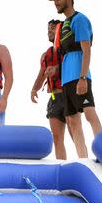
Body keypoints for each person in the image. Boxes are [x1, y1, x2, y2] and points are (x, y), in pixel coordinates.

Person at [50, 0, 102, 158]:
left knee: (89, 113)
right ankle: (83, 159)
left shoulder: (79, 19)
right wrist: (56, 69)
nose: (56, 2)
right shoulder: (64, 23)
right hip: (66, 79)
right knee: (72, 121)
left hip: (79, 76)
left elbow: (86, 50)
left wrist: (83, 77)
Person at [31, 20, 67, 159]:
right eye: (48, 29)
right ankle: (61, 164)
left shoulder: (68, 50)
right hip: (54, 97)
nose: (49, 31)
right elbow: (41, 75)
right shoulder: (46, 55)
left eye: (53, 29)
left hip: (68, 94)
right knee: (57, 138)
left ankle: (83, 161)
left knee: (74, 131)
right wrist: (34, 89)